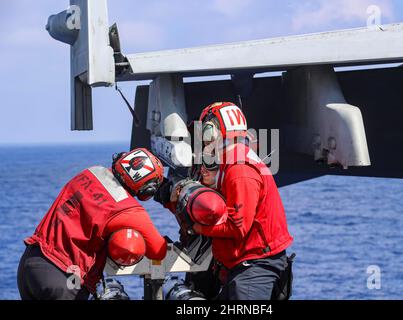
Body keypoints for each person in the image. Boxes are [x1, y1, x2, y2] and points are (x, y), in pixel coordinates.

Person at [157, 102, 294, 300]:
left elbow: (238, 228)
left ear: (209, 132)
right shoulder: (231, 161)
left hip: (254, 267)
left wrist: (196, 229)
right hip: (242, 264)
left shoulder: (239, 169)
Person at [17, 148, 168, 300]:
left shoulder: (91, 172)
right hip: (63, 278)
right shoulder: (128, 210)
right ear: (147, 189)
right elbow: (158, 251)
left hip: (30, 262)